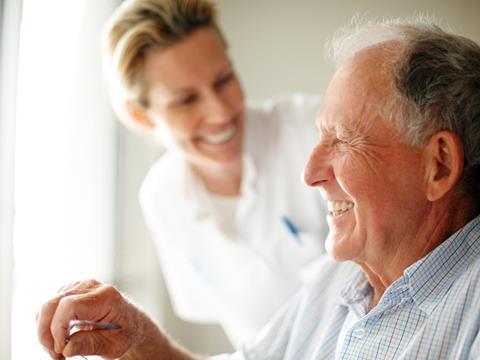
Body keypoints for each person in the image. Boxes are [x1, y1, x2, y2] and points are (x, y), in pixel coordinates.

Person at [37, 17, 480, 359]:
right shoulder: (343, 278)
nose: (309, 174)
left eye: (341, 139)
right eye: (186, 99)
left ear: (438, 165)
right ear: (142, 117)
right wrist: (133, 335)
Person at [102, 0, 328, 345]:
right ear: (142, 117)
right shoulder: (162, 197)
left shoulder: (312, 132)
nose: (220, 112)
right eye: (186, 100)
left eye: (223, 79)